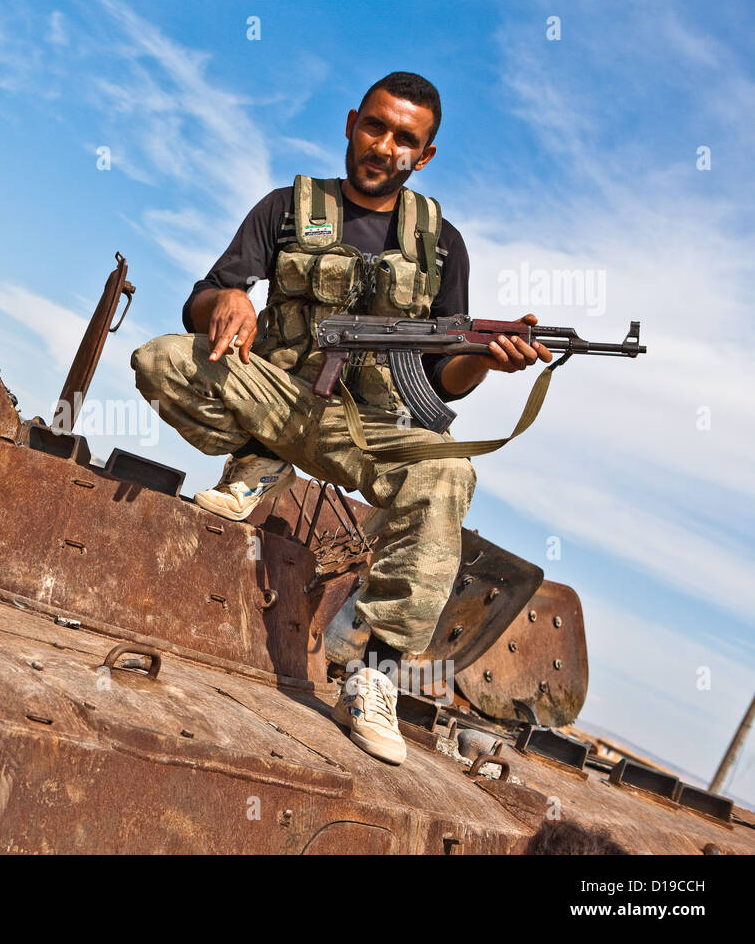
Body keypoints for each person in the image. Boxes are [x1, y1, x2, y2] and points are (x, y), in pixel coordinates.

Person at [131, 72, 551, 766]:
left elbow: (445, 376)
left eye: (405, 139)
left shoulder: (441, 244)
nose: (384, 146)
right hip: (281, 403)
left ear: (426, 155)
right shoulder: (290, 210)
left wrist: (487, 361)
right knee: (162, 360)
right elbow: (205, 295)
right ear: (352, 122)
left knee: (448, 471)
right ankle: (256, 466)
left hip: (373, 431)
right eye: (375, 127)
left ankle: (374, 674)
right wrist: (226, 305)